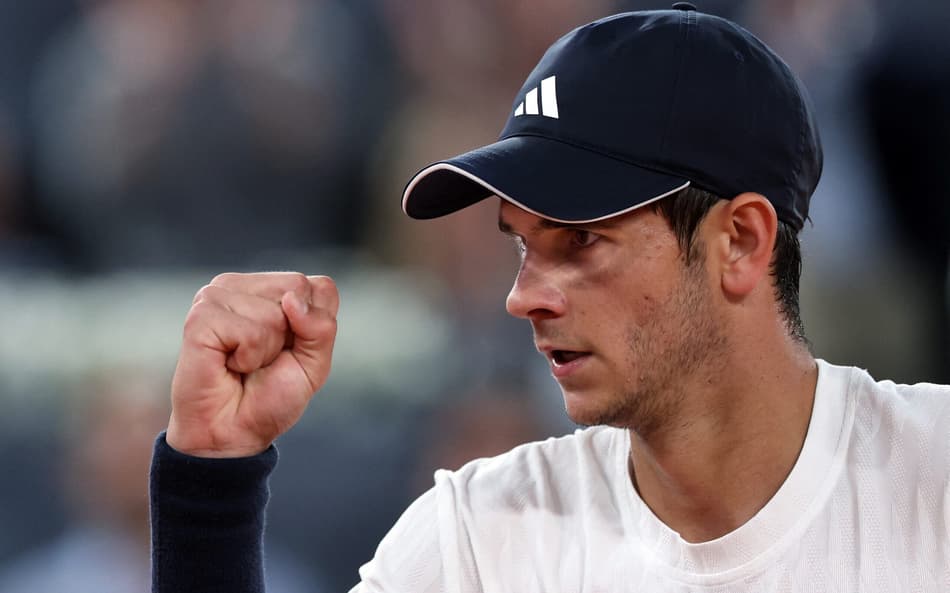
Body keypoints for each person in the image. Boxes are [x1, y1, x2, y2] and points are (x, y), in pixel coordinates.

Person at [150, 5, 950, 592]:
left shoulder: (933, 477)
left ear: (739, 241)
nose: (522, 296)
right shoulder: (478, 537)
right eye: (522, 243)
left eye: (581, 241)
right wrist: (211, 483)